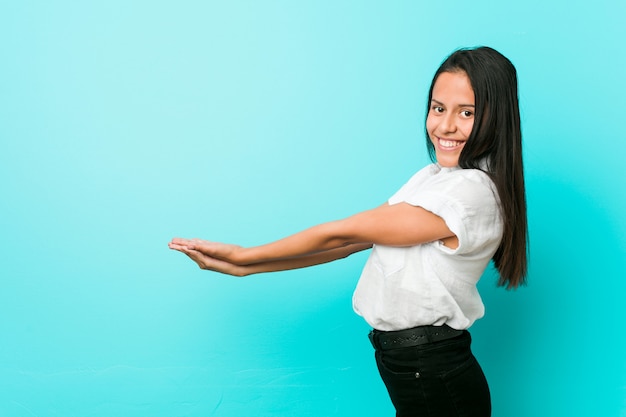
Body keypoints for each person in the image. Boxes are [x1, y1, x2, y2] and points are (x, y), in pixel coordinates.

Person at [169, 46, 528, 417]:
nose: (445, 126)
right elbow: (355, 241)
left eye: (466, 113)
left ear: (496, 118)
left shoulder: (471, 193)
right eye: (438, 108)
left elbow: (343, 232)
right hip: (415, 366)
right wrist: (248, 268)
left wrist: (246, 255)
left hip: (434, 371)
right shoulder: (435, 179)